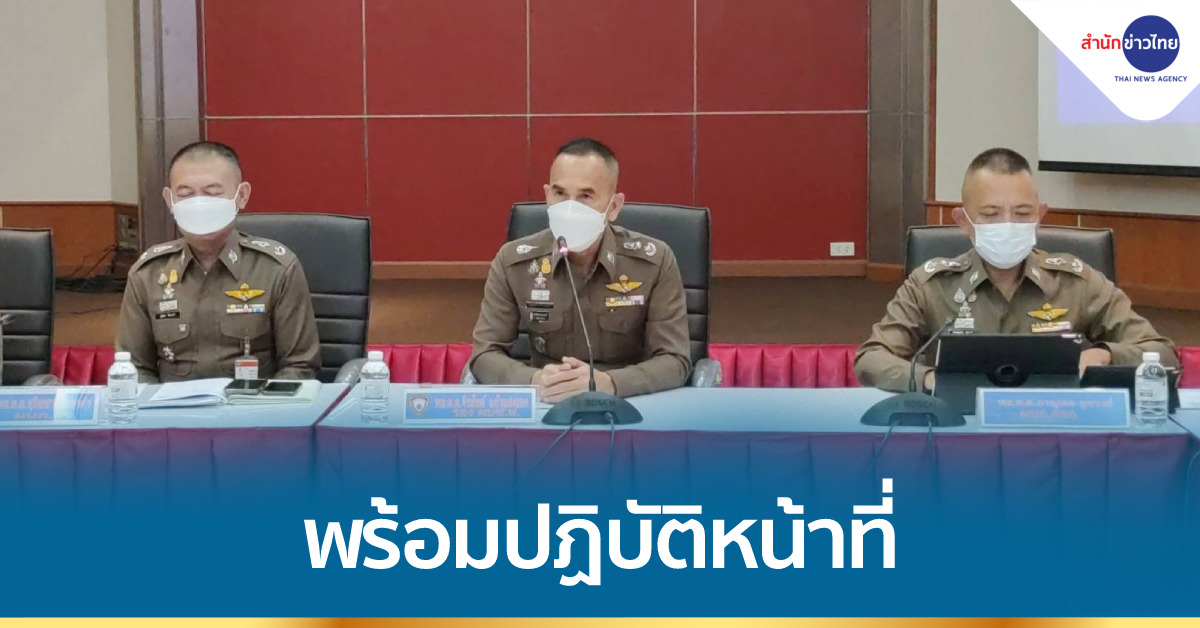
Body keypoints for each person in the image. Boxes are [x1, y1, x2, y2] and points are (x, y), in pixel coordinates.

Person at [856, 147, 1177, 392]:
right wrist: (929, 379)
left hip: (1055, 427)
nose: (1007, 225)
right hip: (961, 429)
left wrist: (1103, 355)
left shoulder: (1076, 282)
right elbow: (871, 358)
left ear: (1040, 216)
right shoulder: (930, 285)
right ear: (963, 221)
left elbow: (1161, 352)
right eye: (991, 214)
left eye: (1022, 214)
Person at [470, 138, 691, 402]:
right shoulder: (513, 262)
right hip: (547, 401)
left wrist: (609, 383)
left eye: (585, 196)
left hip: (626, 403)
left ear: (614, 207)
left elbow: (675, 360)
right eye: (560, 194)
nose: (570, 208)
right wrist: (535, 380)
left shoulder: (654, 262)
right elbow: (484, 355)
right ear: (547, 196)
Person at [116, 141, 320, 383]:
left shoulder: (276, 269)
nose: (199, 204)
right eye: (185, 194)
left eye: (212, 193)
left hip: (253, 403)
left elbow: (299, 366)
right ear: (170, 200)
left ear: (241, 196)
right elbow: (134, 369)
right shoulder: (148, 274)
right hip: (171, 405)